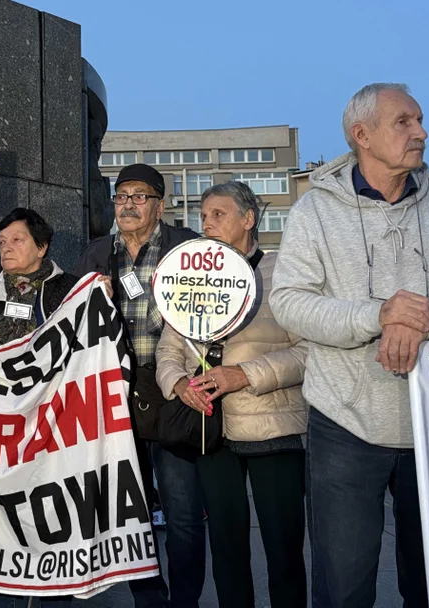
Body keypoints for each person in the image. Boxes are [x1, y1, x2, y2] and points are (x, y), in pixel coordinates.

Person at [270, 83, 429, 608]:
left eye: (420, 120)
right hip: (346, 423)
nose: (421, 132)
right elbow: (289, 301)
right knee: (345, 585)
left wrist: (425, 316)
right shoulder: (315, 212)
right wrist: (378, 315)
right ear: (362, 136)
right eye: (404, 122)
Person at [156, 181, 308, 608]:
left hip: (273, 427)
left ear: (248, 219)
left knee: (284, 551)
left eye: (218, 214)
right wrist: (179, 384)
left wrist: (246, 374)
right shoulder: (189, 275)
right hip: (211, 430)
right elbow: (169, 350)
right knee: (226, 549)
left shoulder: (286, 273)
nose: (207, 224)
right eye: (203, 217)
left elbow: (310, 352)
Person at [76, 163, 199, 608]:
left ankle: (184, 600)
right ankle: (150, 599)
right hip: (117, 395)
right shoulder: (95, 254)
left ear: (160, 205)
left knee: (183, 512)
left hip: (172, 390)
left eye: (139, 196)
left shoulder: (187, 247)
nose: (128, 204)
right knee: (132, 512)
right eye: (121, 196)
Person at [0, 207, 78, 608]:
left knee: (49, 523)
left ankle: (51, 595)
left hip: (52, 430)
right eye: (3, 240)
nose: (6, 248)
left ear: (42, 246)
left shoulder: (71, 291)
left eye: (18, 240)